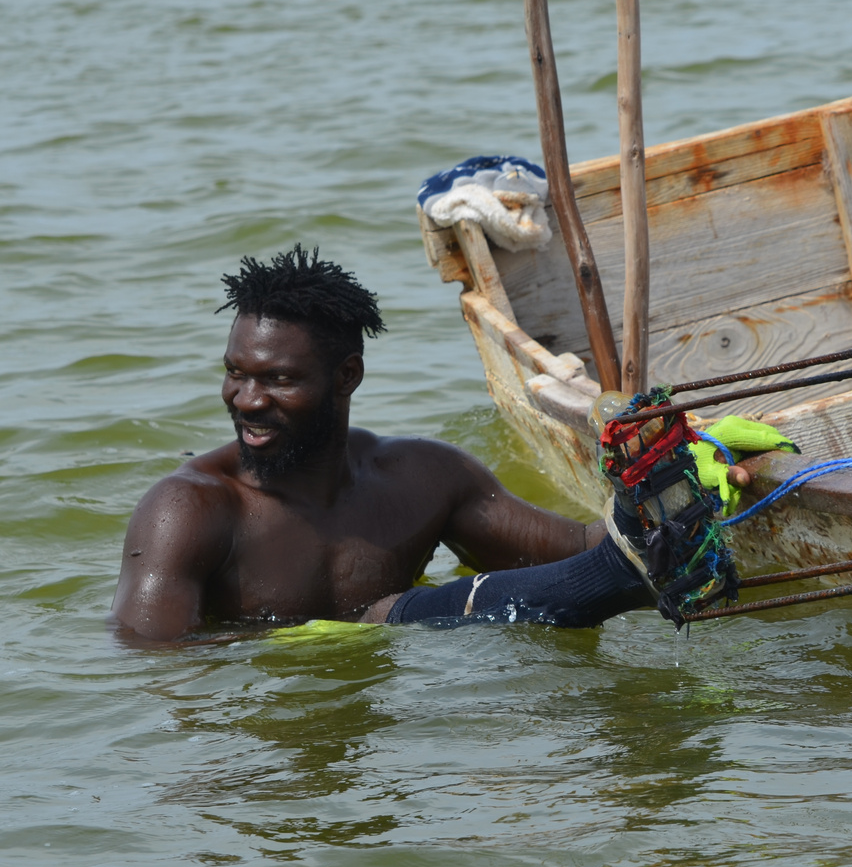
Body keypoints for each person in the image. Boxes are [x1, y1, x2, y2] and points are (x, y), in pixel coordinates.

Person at [112, 246, 660, 642]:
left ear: (347, 376)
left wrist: (655, 477)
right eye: (235, 372)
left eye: (278, 379)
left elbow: (582, 547)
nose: (247, 400)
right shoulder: (187, 510)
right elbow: (153, 660)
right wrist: (337, 636)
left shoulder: (424, 478)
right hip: (262, 761)